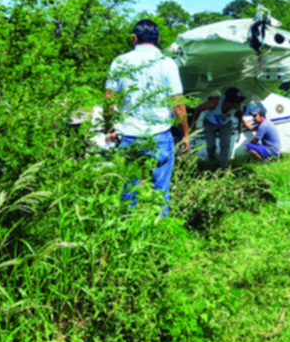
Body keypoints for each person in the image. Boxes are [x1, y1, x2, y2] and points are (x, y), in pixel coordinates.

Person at [105, 19, 189, 212]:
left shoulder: (120, 62)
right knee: (160, 192)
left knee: (128, 190)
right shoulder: (167, 64)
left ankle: (129, 232)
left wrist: (109, 128)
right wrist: (185, 134)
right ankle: (159, 232)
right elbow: (177, 102)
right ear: (158, 39)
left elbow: (109, 100)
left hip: (128, 134)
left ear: (135, 38)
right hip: (159, 133)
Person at [191, 87, 246, 168]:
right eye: (237, 103)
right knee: (210, 146)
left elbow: (240, 112)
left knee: (225, 144)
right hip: (210, 122)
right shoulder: (216, 103)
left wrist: (239, 126)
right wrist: (193, 125)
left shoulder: (237, 106)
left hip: (226, 123)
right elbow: (199, 109)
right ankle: (212, 162)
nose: (239, 105)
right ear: (230, 102)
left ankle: (224, 166)